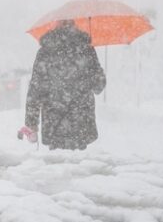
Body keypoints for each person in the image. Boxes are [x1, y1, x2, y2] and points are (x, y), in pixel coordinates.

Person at [18, 19, 106, 150]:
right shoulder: (86, 50)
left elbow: (35, 89)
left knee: (57, 165)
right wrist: (86, 80)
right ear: (74, 25)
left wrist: (32, 123)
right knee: (80, 165)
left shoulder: (45, 52)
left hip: (53, 121)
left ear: (56, 25)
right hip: (81, 120)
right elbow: (99, 85)